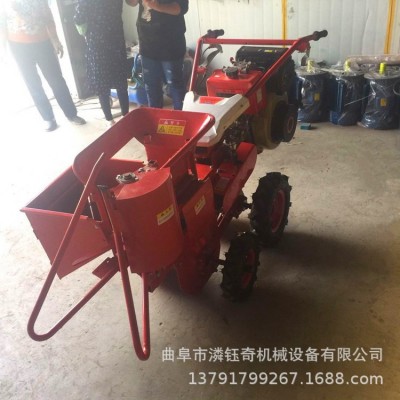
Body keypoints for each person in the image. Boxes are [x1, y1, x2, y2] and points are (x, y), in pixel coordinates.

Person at [0, 0, 86, 132]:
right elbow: (2, 22)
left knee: (56, 80)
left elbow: (48, 16)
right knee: (32, 83)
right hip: (17, 46)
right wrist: (3, 48)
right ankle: (48, 118)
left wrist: (55, 40)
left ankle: (71, 114)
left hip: (42, 42)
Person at [74, 0, 130, 126]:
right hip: (116, 39)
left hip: (96, 42)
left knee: (101, 83)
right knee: (120, 80)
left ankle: (109, 120)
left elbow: (79, 19)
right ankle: (126, 117)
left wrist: (84, 32)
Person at [126, 0, 189, 110]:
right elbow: (131, 3)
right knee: (151, 86)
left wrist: (156, 5)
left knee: (174, 85)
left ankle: (181, 117)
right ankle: (156, 117)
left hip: (171, 45)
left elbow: (180, 8)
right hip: (147, 44)